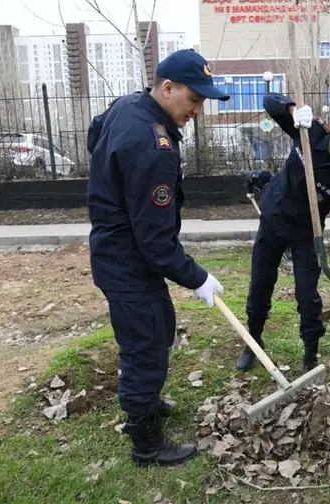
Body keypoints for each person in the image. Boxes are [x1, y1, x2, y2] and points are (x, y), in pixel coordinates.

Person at [86, 48, 230, 467]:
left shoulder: (129, 105)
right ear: (167, 88)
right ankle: (145, 441)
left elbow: (95, 134)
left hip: (120, 252)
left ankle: (146, 400)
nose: (197, 111)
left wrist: (109, 185)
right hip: (128, 258)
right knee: (146, 346)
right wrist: (197, 276)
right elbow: (156, 241)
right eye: (194, 100)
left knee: (158, 325)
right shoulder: (156, 148)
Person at [235, 93, 330, 373]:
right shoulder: (308, 132)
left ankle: (310, 354)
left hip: (307, 234)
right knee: (259, 288)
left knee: (308, 298)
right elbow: (269, 102)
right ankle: (253, 340)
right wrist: (293, 110)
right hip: (273, 221)